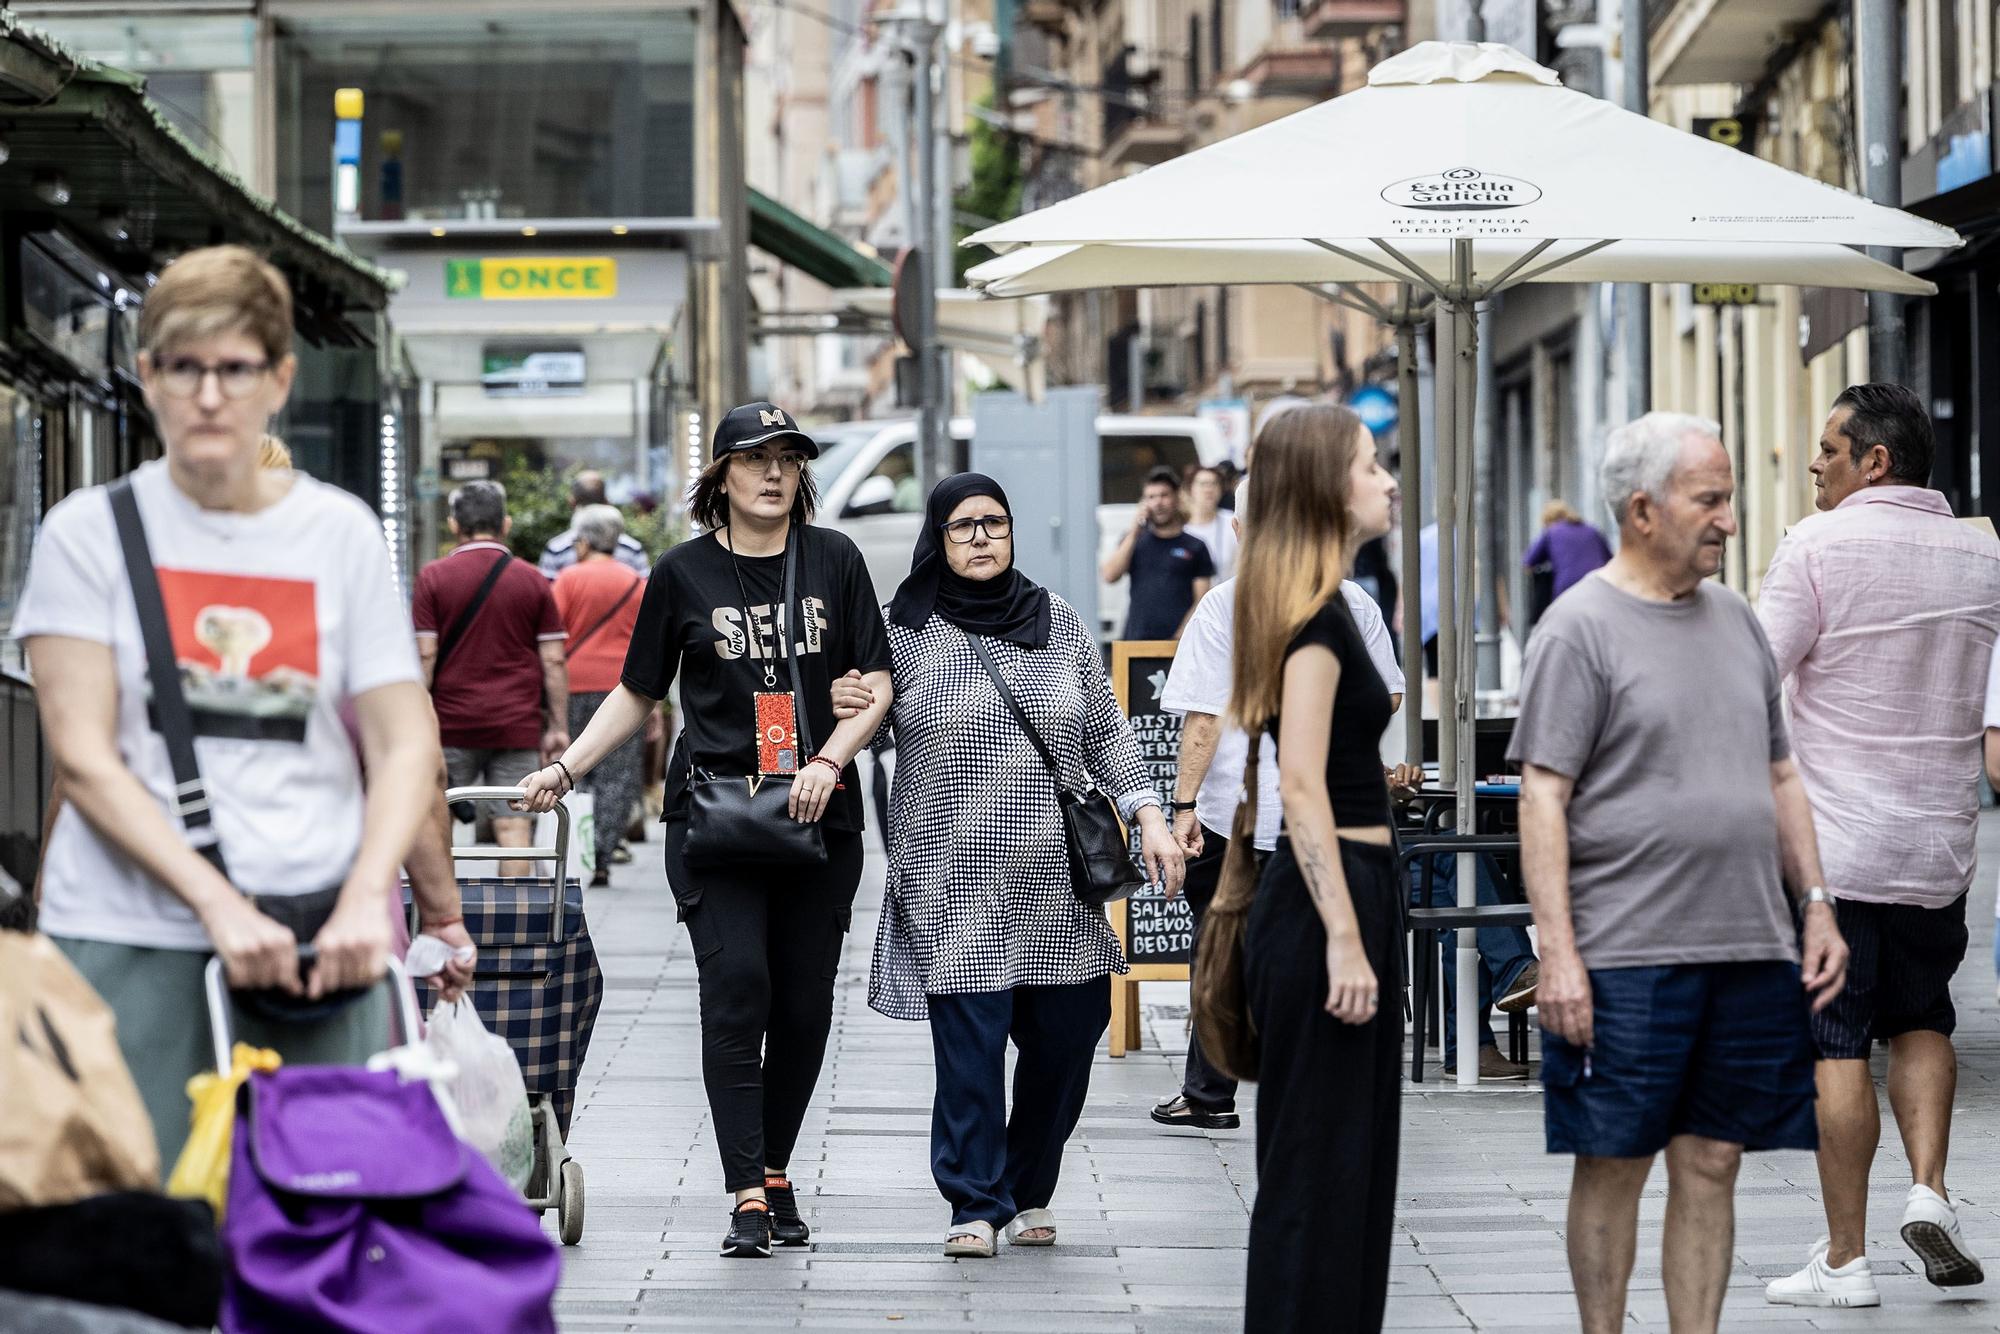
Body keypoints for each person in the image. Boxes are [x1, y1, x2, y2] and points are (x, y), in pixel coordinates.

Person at [11, 244, 441, 1164]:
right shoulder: (86, 534)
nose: (210, 396)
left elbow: (407, 744)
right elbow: (84, 757)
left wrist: (371, 898)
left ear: (279, 379)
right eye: (184, 367)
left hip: (324, 947)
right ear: (147, 375)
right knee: (133, 1258)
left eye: (236, 368)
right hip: (131, 934)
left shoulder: (337, 533)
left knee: (320, 1245)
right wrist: (219, 907)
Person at [519, 401, 894, 1259]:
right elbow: (638, 690)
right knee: (738, 992)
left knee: (802, 1010)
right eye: (756, 459)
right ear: (719, 475)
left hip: (818, 816)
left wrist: (830, 759)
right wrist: (568, 768)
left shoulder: (833, 559)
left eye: (789, 460)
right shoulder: (683, 573)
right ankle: (747, 1193)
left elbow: (875, 677)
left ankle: (775, 1170)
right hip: (717, 819)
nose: (774, 474)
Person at [1510, 411, 1848, 1334]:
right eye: (1711, 500)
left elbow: (1781, 771)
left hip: (1747, 944)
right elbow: (1541, 798)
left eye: (1729, 498)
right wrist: (1560, 955)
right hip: (1623, 953)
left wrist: (1816, 905)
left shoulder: (1739, 621)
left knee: (1714, 1159)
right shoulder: (1577, 630)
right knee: (1613, 1160)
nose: (1729, 520)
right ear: (1642, 510)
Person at [831, 473, 1183, 1260]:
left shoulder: (1056, 620)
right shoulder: (901, 630)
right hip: (950, 874)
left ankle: (1027, 1187)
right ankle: (975, 1200)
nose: (981, 537)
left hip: (1055, 881)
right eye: (961, 527)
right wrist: (840, 712)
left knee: (1068, 1038)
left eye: (993, 522)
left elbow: (1107, 733)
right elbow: (863, 727)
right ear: (938, 538)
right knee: (971, 1052)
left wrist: (1148, 813)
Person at [1760, 384, 2000, 1307]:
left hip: (1837, 852)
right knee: (1925, 1019)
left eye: (1829, 447)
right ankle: (1931, 1191)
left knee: (1835, 1043)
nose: (1814, 461)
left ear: (1875, 462)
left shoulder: (1818, 544)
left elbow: (1752, 674)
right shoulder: (1982, 558)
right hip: (1939, 846)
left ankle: (1847, 1259)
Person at [1152, 475, 1404, 1131]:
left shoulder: (1225, 607)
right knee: (1314, 952)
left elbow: (1202, 720)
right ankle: (1305, 1086)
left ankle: (1211, 1093)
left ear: (1244, 533)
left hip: (1238, 813)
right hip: (1333, 817)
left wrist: (1181, 807)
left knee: (1222, 949)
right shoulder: (1352, 603)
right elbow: (1389, 696)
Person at [1231, 404, 1401, 1333]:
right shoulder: (1314, 624)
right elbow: (1300, 782)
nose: (1387, 482)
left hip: (1355, 896)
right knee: (1313, 1169)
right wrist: (1343, 935)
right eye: (1372, 466)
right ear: (1328, 485)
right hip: (1324, 906)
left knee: (1354, 1168)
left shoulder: (1325, 603)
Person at [412, 480, 570, 877]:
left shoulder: (432, 577)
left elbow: (425, 653)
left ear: (453, 525)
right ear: (506, 524)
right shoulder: (532, 580)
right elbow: (553, 660)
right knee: (514, 824)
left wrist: (414, 717)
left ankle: (440, 923)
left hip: (449, 724)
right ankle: (513, 927)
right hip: (515, 723)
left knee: (436, 821)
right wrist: (558, 725)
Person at [553, 503, 648, 887]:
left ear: (583, 542)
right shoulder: (637, 583)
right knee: (619, 775)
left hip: (575, 685)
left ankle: (581, 849)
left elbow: (553, 637)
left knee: (578, 768)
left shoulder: (567, 580)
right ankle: (605, 853)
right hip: (625, 689)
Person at [1101, 466, 1213, 640]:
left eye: (1164, 495)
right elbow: (1110, 575)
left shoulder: (1195, 546)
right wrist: (1134, 531)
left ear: (1176, 498)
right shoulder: (1134, 540)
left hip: (1179, 643)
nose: (1158, 503)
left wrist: (1181, 636)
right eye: (1151, 497)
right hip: (1136, 642)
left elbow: (1202, 598)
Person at [538, 470, 650, 578]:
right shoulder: (633, 549)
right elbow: (645, 592)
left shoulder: (556, 549)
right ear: (607, 501)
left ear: (572, 502)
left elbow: (549, 594)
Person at [1521, 499, 1612, 602]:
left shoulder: (1551, 532)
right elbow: (1610, 560)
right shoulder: (1592, 530)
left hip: (1567, 590)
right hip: (1597, 587)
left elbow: (1528, 563)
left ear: (1547, 520)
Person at [1181, 465, 1238, 579]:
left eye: (1214, 484)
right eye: (1203, 484)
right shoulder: (1182, 529)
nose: (1209, 489)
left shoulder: (1232, 521)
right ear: (1190, 489)